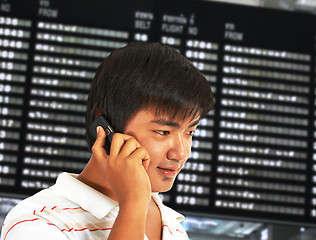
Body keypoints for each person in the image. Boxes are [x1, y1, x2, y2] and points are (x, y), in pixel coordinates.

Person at [1, 42, 214, 240]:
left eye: (190, 132)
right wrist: (132, 204)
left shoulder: (171, 225)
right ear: (105, 127)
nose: (181, 153)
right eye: (163, 132)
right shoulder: (37, 223)